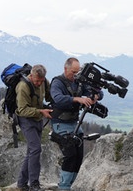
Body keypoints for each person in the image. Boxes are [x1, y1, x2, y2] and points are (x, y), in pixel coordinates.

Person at [50, 57, 103, 190]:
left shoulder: (80, 82)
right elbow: (58, 99)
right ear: (65, 69)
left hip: (74, 124)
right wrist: (77, 99)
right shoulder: (57, 82)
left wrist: (95, 96)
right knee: (70, 155)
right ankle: (64, 186)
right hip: (60, 123)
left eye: (78, 71)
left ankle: (72, 185)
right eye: (73, 72)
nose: (75, 75)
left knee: (79, 156)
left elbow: (98, 91)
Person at [16, 65, 53, 191]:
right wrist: (41, 111)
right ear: (31, 76)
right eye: (37, 80)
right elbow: (22, 110)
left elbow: (49, 95)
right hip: (26, 119)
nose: (39, 83)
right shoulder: (23, 87)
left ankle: (21, 183)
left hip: (37, 118)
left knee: (31, 151)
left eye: (41, 81)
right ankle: (34, 184)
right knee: (36, 149)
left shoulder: (44, 82)